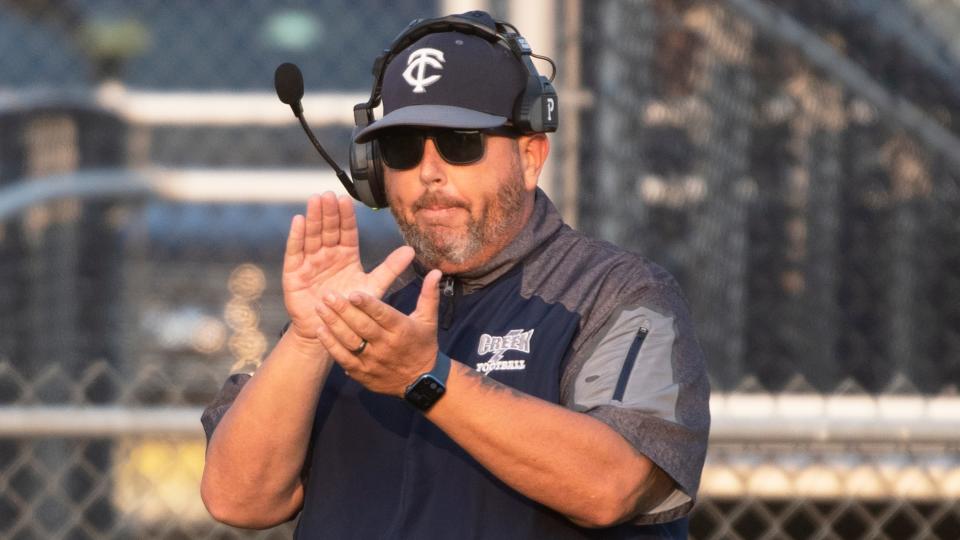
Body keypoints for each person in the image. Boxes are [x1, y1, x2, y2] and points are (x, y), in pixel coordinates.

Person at [200, 10, 709, 539]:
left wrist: (428, 380)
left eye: (459, 143)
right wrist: (309, 338)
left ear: (531, 157)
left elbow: (613, 485)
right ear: (375, 171)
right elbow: (237, 499)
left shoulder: (616, 291)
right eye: (401, 149)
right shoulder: (362, 304)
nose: (428, 172)